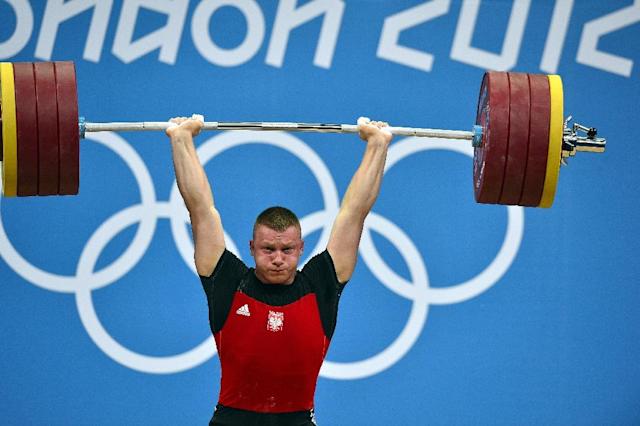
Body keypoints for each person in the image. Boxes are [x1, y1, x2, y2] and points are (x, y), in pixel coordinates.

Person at [166, 115, 393, 426]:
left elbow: (354, 213)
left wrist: (378, 145)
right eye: (267, 250)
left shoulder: (322, 283)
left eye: (287, 250)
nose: (277, 258)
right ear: (251, 248)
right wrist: (181, 139)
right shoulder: (228, 282)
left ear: (301, 248)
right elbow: (200, 209)